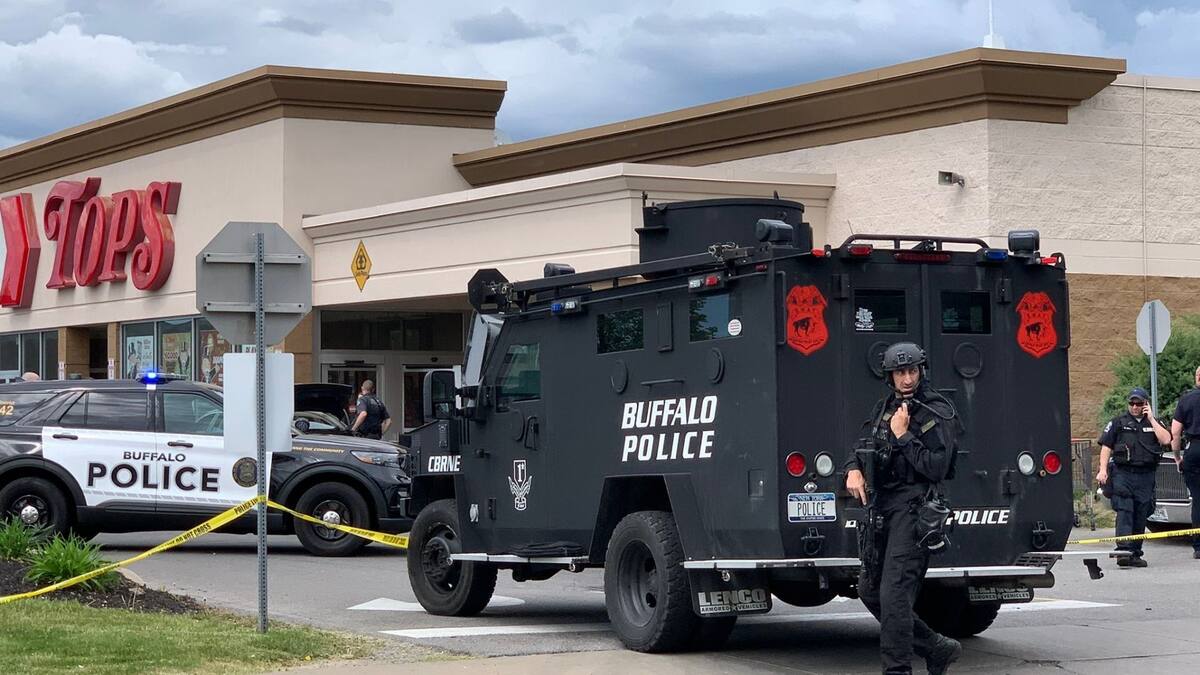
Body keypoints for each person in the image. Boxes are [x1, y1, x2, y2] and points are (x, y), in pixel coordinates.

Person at [844, 342, 962, 675]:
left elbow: (937, 467)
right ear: (890, 377)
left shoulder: (936, 410)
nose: (907, 379)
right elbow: (862, 445)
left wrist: (903, 435)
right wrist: (852, 469)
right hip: (882, 509)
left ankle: (897, 670)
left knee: (894, 595)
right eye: (900, 373)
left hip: (914, 509)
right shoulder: (885, 407)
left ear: (921, 371)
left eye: (912, 371)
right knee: (870, 590)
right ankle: (936, 647)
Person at [1096, 387, 1171, 567]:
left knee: (1141, 513)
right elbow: (1106, 447)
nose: (1135, 407)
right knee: (1125, 510)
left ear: (1146, 404)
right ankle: (1123, 551)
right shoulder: (1118, 423)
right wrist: (1102, 470)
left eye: (1139, 403)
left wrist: (1151, 418)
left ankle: (1135, 553)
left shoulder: (1154, 422)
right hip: (1123, 474)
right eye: (1132, 403)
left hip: (1146, 475)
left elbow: (1166, 440)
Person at [1170, 366, 1200, 560]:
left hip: (1194, 450)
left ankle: (1199, 546)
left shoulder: (1186, 400)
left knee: (1198, 500)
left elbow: (1175, 432)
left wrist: (1177, 456)